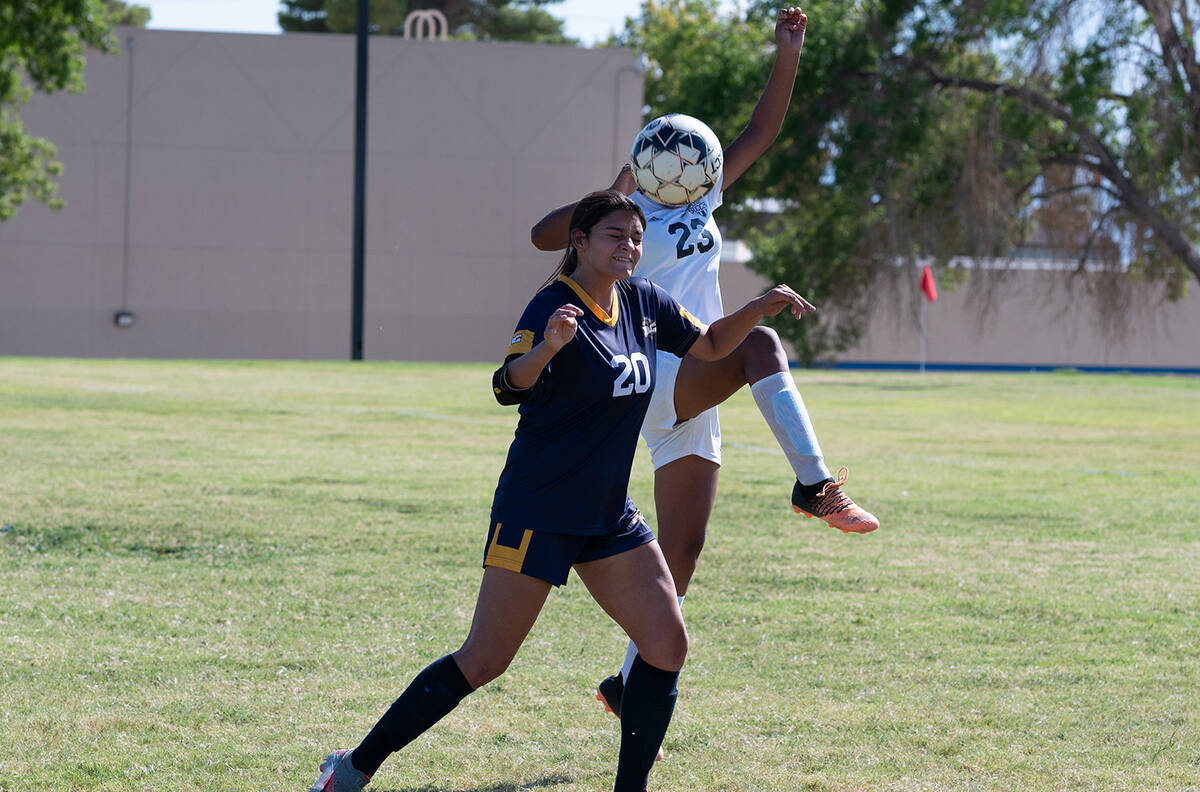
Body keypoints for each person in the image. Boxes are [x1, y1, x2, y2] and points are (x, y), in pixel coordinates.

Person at [308, 190, 815, 792]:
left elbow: (708, 347)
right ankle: (353, 768)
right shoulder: (553, 305)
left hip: (605, 515)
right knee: (484, 660)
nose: (628, 246)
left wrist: (759, 306)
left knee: (666, 642)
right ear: (579, 241)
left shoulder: (645, 302)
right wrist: (548, 347)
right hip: (539, 509)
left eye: (634, 237)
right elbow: (507, 384)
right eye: (614, 235)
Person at [529, 8, 879, 721]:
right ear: (646, 160)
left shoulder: (702, 195)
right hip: (651, 369)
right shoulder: (623, 216)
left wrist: (788, 54)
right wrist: (619, 187)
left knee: (679, 558)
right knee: (761, 344)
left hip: (693, 385)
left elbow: (761, 133)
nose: (680, 163)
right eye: (663, 155)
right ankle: (814, 487)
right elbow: (542, 234)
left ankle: (628, 687)